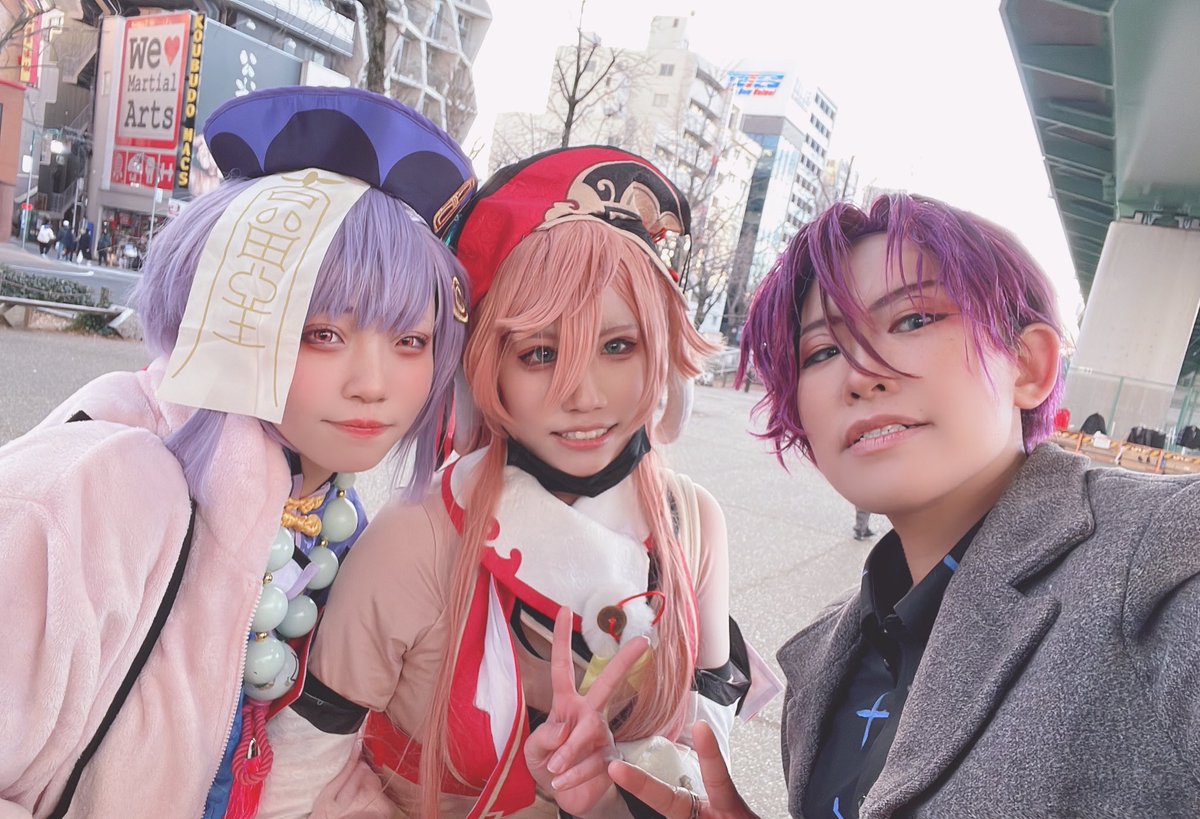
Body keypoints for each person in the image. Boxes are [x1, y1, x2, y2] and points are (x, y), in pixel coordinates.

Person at [608, 193, 1200, 817]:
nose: (861, 373)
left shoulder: (1163, 563)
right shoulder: (824, 659)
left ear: (1027, 365)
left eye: (913, 320)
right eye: (822, 352)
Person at [0, 86, 476, 818]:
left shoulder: (332, 519)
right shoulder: (96, 486)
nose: (374, 384)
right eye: (324, 334)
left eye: (411, 340)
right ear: (232, 319)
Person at [261, 146, 763, 818]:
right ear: (485, 368)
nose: (584, 395)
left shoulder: (692, 524)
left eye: (619, 346)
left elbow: (704, 732)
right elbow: (299, 778)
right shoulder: (418, 538)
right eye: (541, 353)